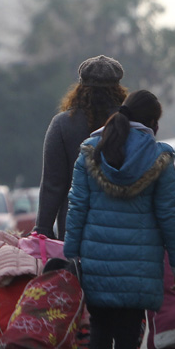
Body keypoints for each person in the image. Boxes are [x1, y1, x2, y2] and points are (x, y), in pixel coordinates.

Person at [63, 90, 175, 349]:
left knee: (101, 321)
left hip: (97, 256)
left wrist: (71, 252)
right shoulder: (159, 158)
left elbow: (76, 208)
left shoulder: (91, 151)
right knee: (129, 329)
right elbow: (169, 215)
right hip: (140, 261)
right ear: (151, 122)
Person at [36, 55, 127, 240]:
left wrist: (43, 229)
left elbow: (53, 185)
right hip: (124, 226)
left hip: (75, 230)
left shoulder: (62, 124)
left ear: (80, 88)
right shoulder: (133, 125)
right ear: (118, 89)